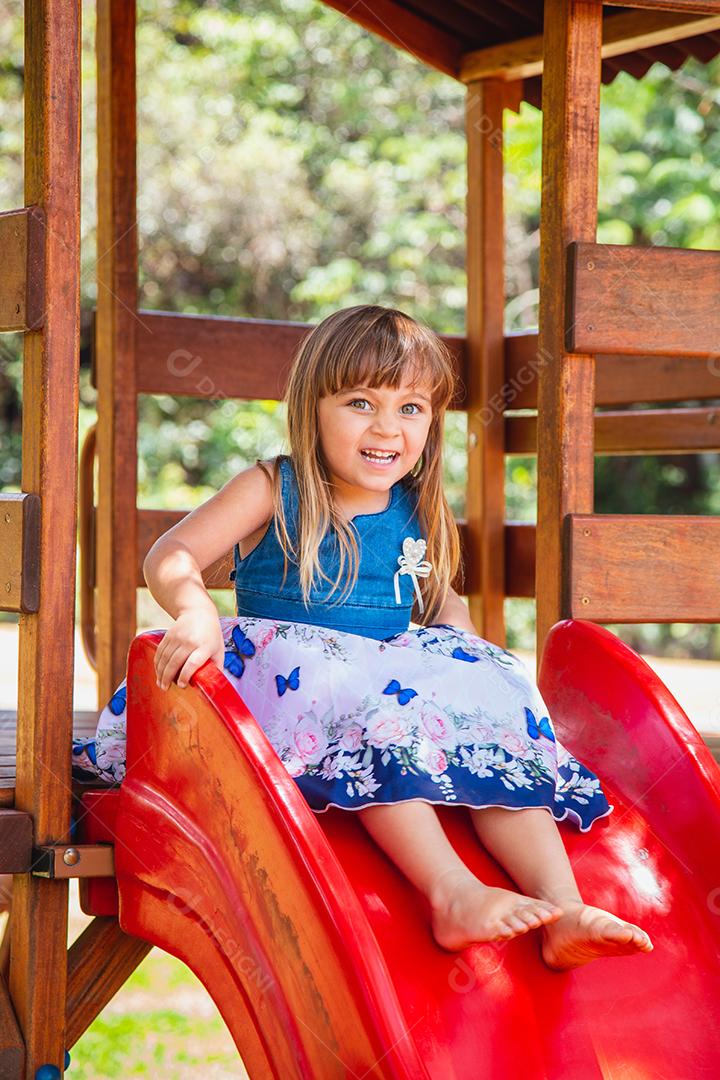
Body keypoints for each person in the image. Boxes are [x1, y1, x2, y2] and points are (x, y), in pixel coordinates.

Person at [72, 304, 653, 970]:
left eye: (410, 408)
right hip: (289, 689)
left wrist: (468, 656)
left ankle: (563, 907)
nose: (386, 428)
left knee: (488, 718)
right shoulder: (273, 487)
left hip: (378, 678)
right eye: (360, 402)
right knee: (379, 719)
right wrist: (195, 609)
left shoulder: (416, 505)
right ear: (311, 407)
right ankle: (451, 893)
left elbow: (436, 597)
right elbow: (170, 554)